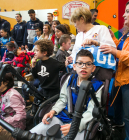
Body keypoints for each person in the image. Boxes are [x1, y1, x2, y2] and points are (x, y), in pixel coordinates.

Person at [30, 49, 103, 140]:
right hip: (63, 116)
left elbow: (91, 111)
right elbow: (63, 99)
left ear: (93, 68)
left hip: (82, 122)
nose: (83, 67)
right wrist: (53, 111)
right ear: (74, 66)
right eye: (80, 63)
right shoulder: (70, 79)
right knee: (33, 134)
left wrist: (75, 127)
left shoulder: (98, 86)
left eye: (88, 64)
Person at [99, 2, 129, 139]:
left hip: (127, 81)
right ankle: (118, 132)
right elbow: (122, 48)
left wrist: (114, 52)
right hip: (120, 79)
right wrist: (112, 38)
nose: (124, 14)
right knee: (117, 109)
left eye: (128, 12)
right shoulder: (126, 34)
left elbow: (124, 55)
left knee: (128, 116)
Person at [25, 39, 66, 114]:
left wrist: (66, 64)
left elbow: (64, 70)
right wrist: (33, 66)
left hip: (53, 91)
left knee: (49, 108)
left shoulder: (55, 64)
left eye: (37, 50)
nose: (34, 52)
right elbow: (35, 77)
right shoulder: (38, 63)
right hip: (43, 89)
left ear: (44, 53)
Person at [0, 73, 26, 140]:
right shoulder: (2, 94)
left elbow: (22, 115)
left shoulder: (12, 96)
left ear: (6, 82)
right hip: (6, 124)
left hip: (15, 128)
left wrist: (3, 123)